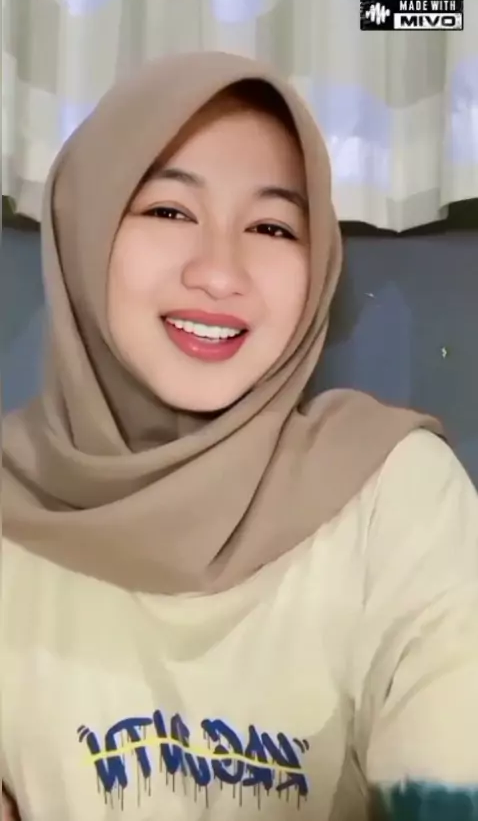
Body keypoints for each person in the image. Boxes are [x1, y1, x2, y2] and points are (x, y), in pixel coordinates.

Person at [2, 52, 477, 821]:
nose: (221, 273)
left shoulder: (394, 493)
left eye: (271, 226)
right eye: (168, 211)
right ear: (82, 230)